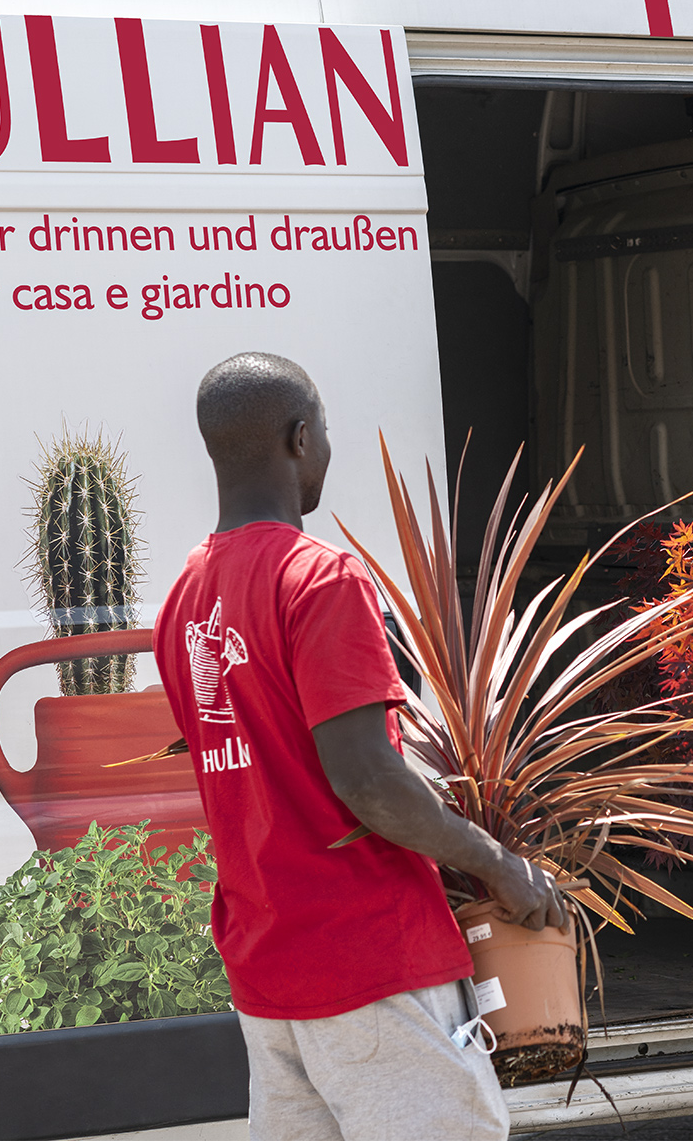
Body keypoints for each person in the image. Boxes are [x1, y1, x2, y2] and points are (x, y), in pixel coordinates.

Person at [154, 352, 564, 1141]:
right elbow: (370, 783)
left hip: (269, 972)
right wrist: (499, 865)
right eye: (327, 430)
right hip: (369, 961)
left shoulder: (185, 596)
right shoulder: (320, 578)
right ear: (300, 437)